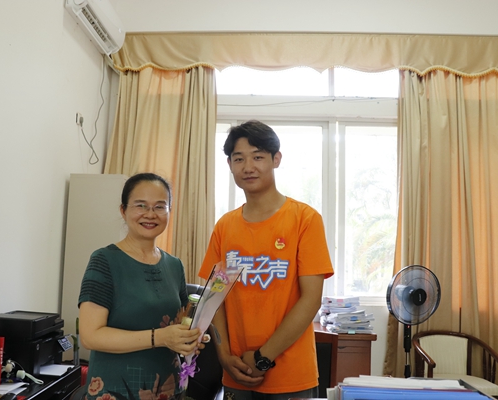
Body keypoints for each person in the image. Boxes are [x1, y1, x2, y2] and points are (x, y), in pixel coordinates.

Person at [199, 120, 334, 399]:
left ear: (276, 159)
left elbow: (311, 300)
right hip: (237, 371)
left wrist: (262, 357)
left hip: (291, 375)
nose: (248, 167)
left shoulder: (305, 219)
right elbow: (214, 297)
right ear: (230, 165)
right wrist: (224, 357)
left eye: (258, 157)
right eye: (239, 159)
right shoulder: (225, 227)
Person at [78, 172, 203, 400]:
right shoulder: (105, 260)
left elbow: (182, 321)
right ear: (123, 210)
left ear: (169, 211)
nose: (150, 214)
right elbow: (90, 336)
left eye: (160, 206)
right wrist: (160, 337)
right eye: (141, 205)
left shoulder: (174, 265)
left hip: (168, 389)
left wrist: (192, 337)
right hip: (116, 389)